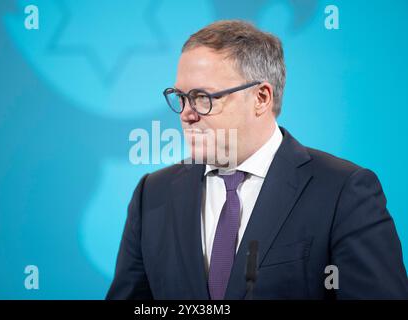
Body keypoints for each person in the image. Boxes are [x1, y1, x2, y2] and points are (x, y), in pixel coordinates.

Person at [107, 20, 408, 299]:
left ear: (261, 98)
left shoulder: (343, 192)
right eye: (180, 97)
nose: (187, 113)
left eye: (203, 97)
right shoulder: (153, 194)